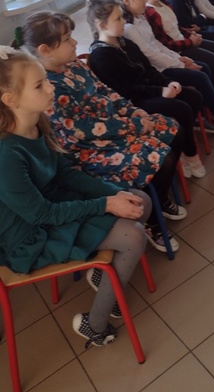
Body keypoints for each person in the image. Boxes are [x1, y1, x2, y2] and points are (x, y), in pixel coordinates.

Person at [0, 46, 150, 348]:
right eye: (39, 85)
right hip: (28, 234)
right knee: (133, 237)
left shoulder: (39, 122)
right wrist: (107, 204)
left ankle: (104, 278)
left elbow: (66, 174)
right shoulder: (7, 154)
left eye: (46, 80)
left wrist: (115, 194)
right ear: (10, 99)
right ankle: (94, 326)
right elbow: (40, 214)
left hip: (52, 204)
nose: (50, 88)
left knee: (139, 201)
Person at [14, 12, 185, 252]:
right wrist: (136, 126)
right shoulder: (49, 87)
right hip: (88, 150)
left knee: (172, 128)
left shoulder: (75, 65)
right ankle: (152, 221)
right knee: (161, 157)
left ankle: (159, 194)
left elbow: (105, 91)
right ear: (46, 50)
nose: (75, 42)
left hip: (114, 129)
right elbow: (84, 130)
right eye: (67, 39)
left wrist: (132, 111)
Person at [86, 0, 214, 154]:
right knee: (181, 108)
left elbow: (148, 69)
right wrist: (161, 91)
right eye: (118, 19)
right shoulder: (101, 57)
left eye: (122, 17)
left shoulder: (125, 43)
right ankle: (189, 152)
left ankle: (186, 133)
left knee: (194, 96)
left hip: (148, 88)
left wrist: (167, 83)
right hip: (132, 103)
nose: (123, 21)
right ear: (101, 25)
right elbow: (126, 92)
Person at [135, 0, 214, 87]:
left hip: (183, 41)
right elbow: (165, 43)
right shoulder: (150, 12)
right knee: (212, 60)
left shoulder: (164, 3)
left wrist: (190, 34)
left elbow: (176, 27)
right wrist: (190, 42)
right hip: (177, 49)